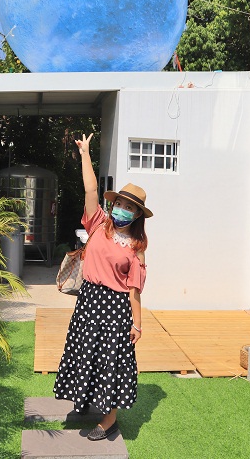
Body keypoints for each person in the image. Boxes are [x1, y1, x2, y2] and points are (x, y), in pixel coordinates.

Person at [54, 132, 152, 441]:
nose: (122, 208)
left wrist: (137, 324)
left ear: (137, 214)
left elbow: (134, 291)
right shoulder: (97, 222)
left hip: (115, 309)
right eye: (120, 202)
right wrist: (85, 153)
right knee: (86, 354)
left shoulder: (136, 246)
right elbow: (91, 188)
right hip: (89, 302)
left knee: (110, 362)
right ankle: (85, 401)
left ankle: (109, 422)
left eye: (129, 206)